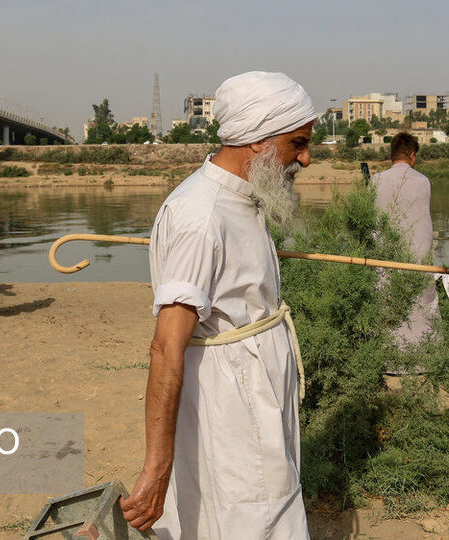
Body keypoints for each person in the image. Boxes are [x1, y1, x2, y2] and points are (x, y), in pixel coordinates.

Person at [119, 71, 315, 538]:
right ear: (257, 140)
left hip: (255, 396)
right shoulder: (201, 215)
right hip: (232, 404)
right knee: (251, 514)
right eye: (298, 143)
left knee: (254, 508)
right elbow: (166, 347)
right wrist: (156, 469)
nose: (306, 159)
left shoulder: (242, 199)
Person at [372, 132, 438, 347]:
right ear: (412, 156)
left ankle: (387, 351)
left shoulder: (375, 181)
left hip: (385, 257)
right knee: (420, 305)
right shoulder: (423, 181)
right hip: (417, 257)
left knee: (386, 303)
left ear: (392, 155)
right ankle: (423, 351)